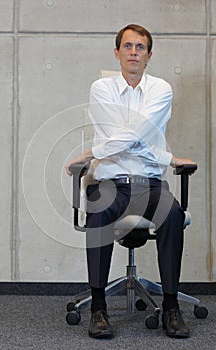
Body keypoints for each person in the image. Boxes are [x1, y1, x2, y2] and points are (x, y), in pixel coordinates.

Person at [65, 24, 196, 339]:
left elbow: (128, 135)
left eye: (140, 47)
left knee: (172, 214)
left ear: (149, 55)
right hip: (110, 183)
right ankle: (98, 307)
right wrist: (164, 155)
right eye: (127, 46)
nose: (133, 52)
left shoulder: (161, 89)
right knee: (98, 214)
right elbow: (132, 135)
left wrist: (93, 151)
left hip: (149, 183)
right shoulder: (102, 88)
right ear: (117, 52)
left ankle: (171, 306)